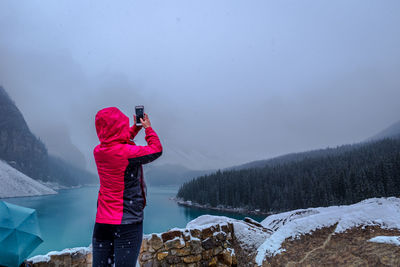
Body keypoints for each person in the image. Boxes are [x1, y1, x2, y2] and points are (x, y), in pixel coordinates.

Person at [92, 107, 162, 266]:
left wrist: (135, 128)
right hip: (127, 223)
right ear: (118, 127)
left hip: (102, 223)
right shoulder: (127, 153)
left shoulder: (99, 151)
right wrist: (147, 129)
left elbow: (114, 141)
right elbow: (156, 149)